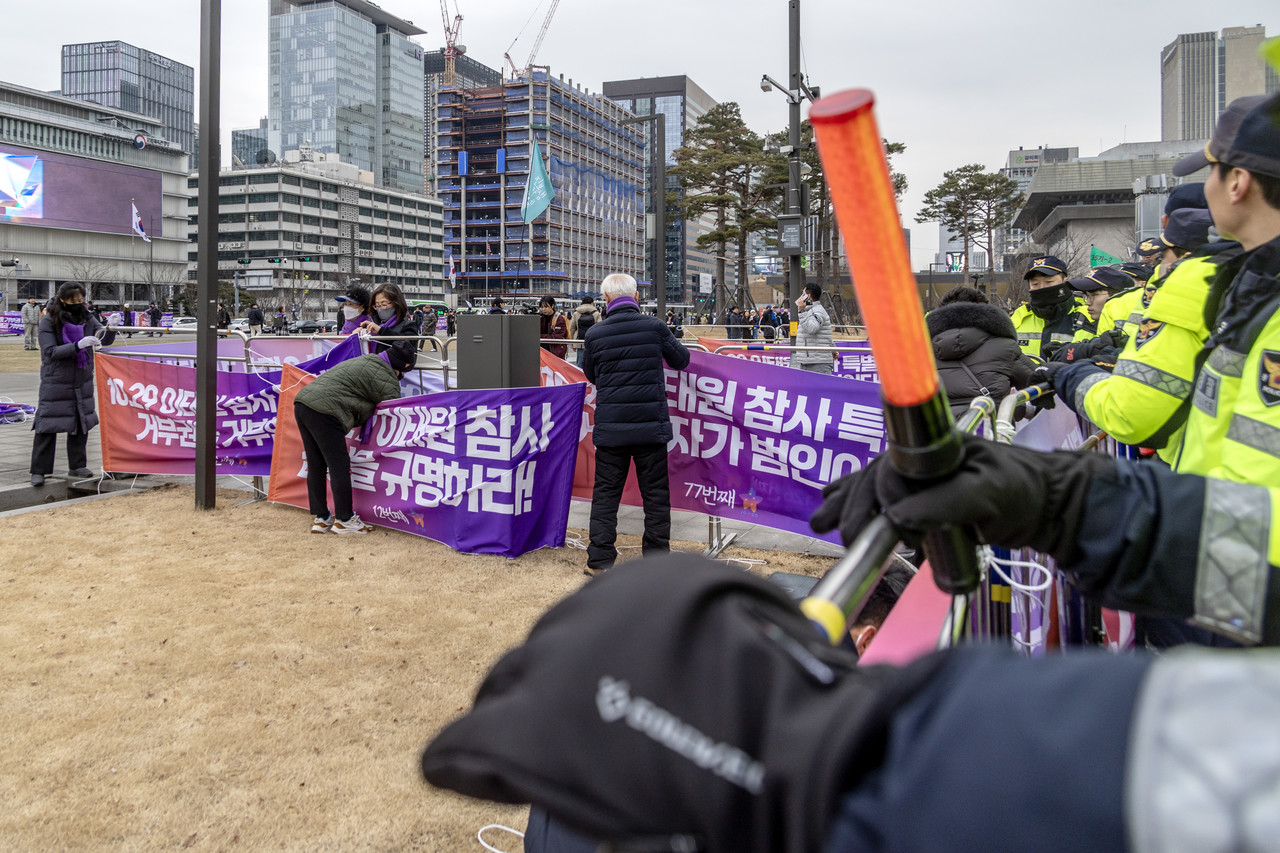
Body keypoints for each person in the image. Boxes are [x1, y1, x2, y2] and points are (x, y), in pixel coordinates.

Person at [581, 273, 690, 575]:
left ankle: (599, 561)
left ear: (606, 300)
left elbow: (590, 374)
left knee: (605, 495)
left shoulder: (595, 334)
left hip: (611, 428)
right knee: (655, 497)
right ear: (636, 297)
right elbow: (681, 359)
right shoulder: (655, 326)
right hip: (650, 428)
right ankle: (656, 563)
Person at [293, 341, 415, 535]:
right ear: (403, 367)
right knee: (338, 465)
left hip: (303, 402)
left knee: (316, 464)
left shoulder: (369, 360)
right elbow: (395, 408)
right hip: (326, 411)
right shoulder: (386, 377)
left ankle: (321, 518)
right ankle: (344, 519)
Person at [29, 282, 116, 486]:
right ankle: (39, 470)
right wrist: (77, 346)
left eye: (81, 300)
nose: (78, 304)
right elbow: (50, 352)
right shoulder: (49, 319)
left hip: (81, 377)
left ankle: (77, 465)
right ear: (62, 299)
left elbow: (102, 337)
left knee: (80, 422)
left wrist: (111, 328)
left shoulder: (86, 316)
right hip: (56, 379)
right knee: (47, 423)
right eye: (73, 300)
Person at [927, 285, 1036, 417]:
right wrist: (1015, 408)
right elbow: (1041, 385)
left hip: (941, 432)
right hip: (990, 431)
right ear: (986, 313)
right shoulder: (1005, 347)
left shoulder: (922, 354)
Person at [1009, 255, 1093, 359]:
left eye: (1049, 282)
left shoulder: (1088, 316)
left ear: (1065, 281)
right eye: (1035, 284)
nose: (1042, 288)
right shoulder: (1019, 317)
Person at [359, 282, 419, 355]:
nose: (380, 309)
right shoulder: (374, 324)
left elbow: (407, 346)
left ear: (396, 303)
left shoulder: (409, 325)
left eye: (384, 304)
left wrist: (381, 331)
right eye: (377, 305)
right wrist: (359, 335)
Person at [789, 283, 834, 374]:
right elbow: (825, 335)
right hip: (809, 361)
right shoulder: (810, 310)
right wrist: (833, 349)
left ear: (808, 296)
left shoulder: (817, 311)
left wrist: (801, 311)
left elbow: (812, 329)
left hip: (817, 363)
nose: (801, 297)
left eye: (803, 294)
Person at [567, 296, 600, 368]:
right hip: (593, 342)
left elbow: (572, 328)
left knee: (580, 364)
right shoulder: (596, 313)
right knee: (592, 364)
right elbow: (599, 328)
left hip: (580, 342)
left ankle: (580, 377)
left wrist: (573, 343)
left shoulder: (576, 313)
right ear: (592, 303)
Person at [537, 295, 570, 360]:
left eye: (546, 307)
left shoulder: (559, 318)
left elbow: (556, 337)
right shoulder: (540, 318)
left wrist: (539, 336)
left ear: (552, 306)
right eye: (542, 307)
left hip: (555, 352)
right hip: (541, 352)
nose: (543, 309)